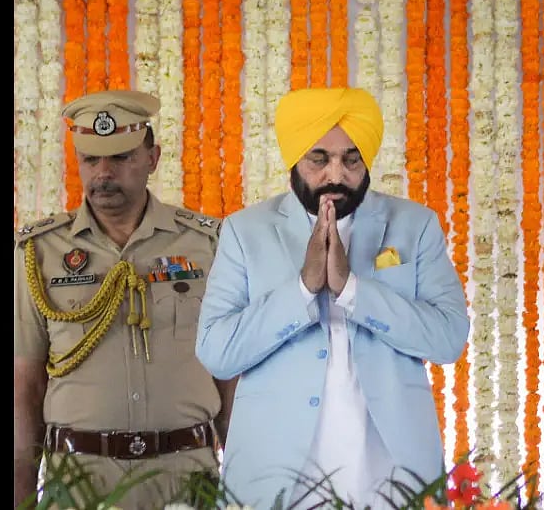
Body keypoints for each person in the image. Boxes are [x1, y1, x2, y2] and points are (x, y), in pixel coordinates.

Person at [195, 86, 470, 509]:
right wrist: (303, 288)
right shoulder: (245, 231)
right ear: (295, 159)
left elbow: (449, 338)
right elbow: (217, 351)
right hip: (276, 473)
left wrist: (353, 290)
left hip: (389, 470)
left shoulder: (414, 225)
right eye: (319, 159)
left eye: (351, 159)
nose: (336, 175)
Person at [13, 89, 235, 509]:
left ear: (153, 158)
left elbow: (231, 376)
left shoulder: (208, 245)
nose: (103, 173)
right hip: (79, 482)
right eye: (90, 160)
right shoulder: (39, 252)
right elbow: (23, 385)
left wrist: (246, 481)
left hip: (185, 477)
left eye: (120, 157)